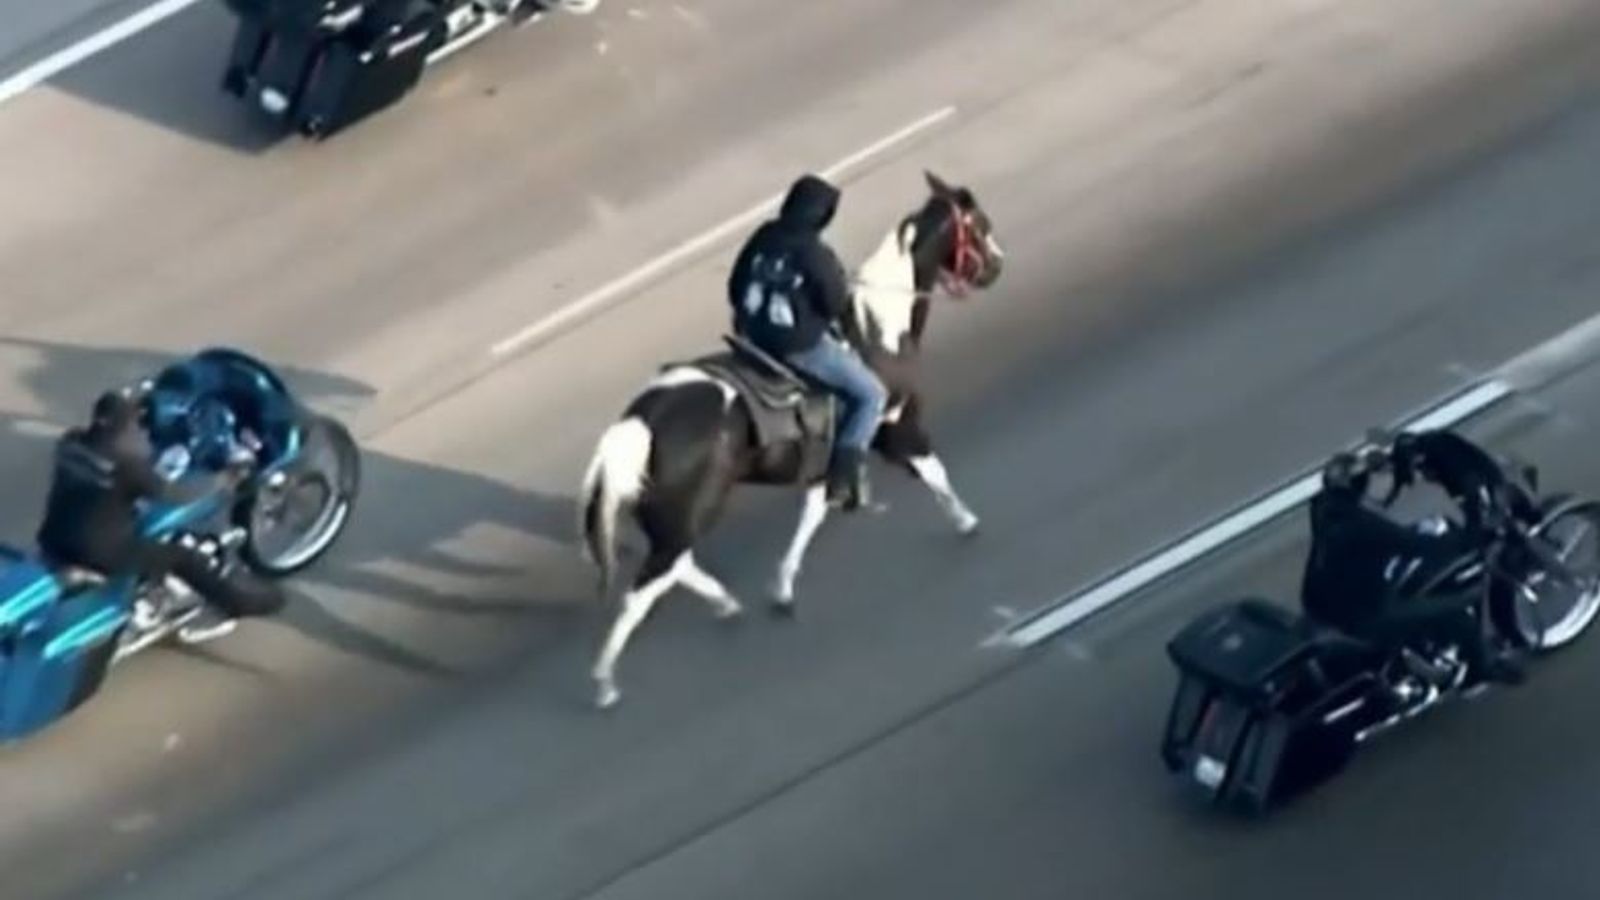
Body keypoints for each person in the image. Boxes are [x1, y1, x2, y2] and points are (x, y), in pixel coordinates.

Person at [35, 390, 285, 644]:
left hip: (53, 538)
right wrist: (223, 479)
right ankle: (236, 603)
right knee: (180, 557)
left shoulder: (70, 444)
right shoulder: (128, 466)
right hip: (100, 554)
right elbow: (173, 494)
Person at [727, 173, 888, 510]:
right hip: (796, 348)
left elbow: (734, 285)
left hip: (750, 337)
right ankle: (843, 478)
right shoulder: (815, 253)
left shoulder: (764, 234)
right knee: (871, 395)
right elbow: (835, 302)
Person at [1301, 447, 1525, 688]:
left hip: (1322, 601)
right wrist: (1470, 535)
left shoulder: (1324, 507)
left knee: (1409, 586)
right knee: (1459, 613)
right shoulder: (1363, 526)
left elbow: (1387, 538)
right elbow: (1417, 546)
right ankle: (1482, 669)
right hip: (1364, 614)